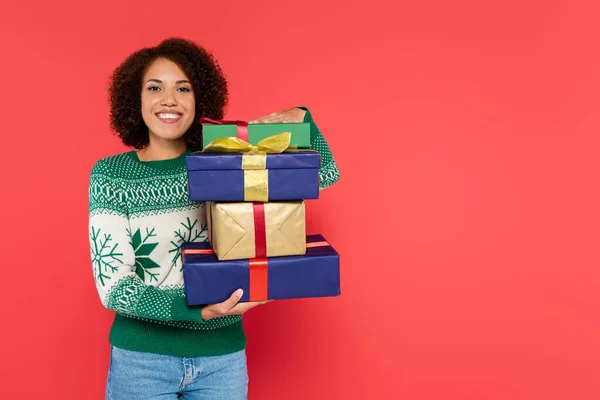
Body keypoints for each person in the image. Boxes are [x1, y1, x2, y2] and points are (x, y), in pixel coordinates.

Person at [88, 37, 340, 400]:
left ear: (199, 100)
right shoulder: (112, 176)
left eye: (183, 88)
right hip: (141, 362)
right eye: (155, 87)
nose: (169, 99)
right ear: (135, 99)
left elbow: (323, 174)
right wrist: (198, 312)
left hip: (221, 361)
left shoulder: (224, 162)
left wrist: (303, 120)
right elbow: (113, 285)